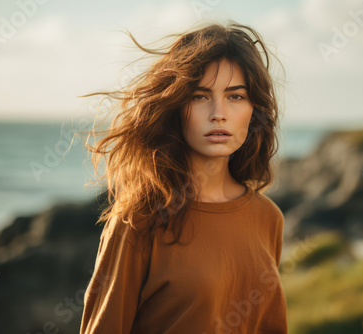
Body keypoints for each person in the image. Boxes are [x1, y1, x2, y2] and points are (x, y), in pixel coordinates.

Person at [78, 19, 288, 333]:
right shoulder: (139, 219)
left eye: (235, 96)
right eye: (200, 96)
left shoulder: (268, 218)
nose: (219, 112)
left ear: (253, 110)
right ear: (176, 106)